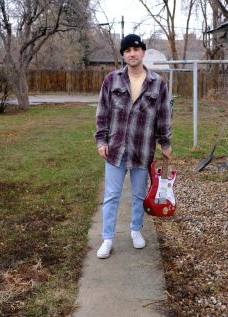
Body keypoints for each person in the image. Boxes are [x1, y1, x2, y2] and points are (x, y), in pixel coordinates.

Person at [94, 34, 172, 259]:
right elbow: (103, 113)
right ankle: (107, 238)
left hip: (142, 150)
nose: (132, 53)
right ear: (123, 55)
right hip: (115, 150)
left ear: (143, 52)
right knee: (111, 196)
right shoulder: (112, 80)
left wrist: (165, 143)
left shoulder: (157, 83)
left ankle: (135, 230)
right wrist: (101, 140)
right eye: (127, 50)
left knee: (138, 195)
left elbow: (164, 116)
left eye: (136, 49)